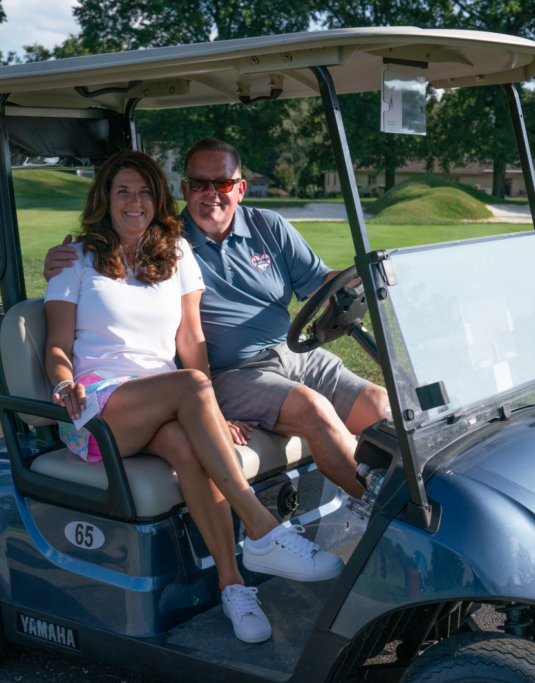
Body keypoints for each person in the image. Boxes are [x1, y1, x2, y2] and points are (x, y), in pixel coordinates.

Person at [44, 150, 343, 644]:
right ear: (105, 199)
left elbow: (191, 343)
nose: (134, 201)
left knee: (190, 449)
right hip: (99, 410)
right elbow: (57, 344)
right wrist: (61, 382)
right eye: (123, 191)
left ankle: (233, 588)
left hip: (163, 403)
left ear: (158, 199)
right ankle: (264, 531)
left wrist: (211, 413)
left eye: (144, 192)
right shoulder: (75, 260)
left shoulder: (177, 256)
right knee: (192, 384)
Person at [45, 139, 390, 500]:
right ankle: (387, 510)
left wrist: (368, 274)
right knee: (315, 410)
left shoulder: (268, 226)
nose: (211, 193)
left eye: (222, 184)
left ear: (240, 188)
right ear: (184, 189)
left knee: (382, 404)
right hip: (233, 373)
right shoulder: (165, 243)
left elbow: (321, 280)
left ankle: (421, 492)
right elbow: (113, 271)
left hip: (294, 354)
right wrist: (62, 259)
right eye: (199, 184)